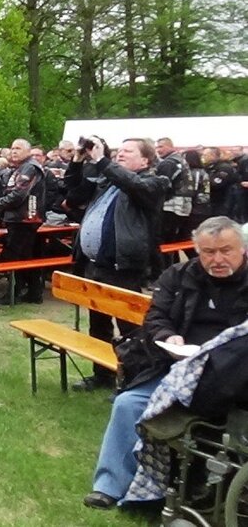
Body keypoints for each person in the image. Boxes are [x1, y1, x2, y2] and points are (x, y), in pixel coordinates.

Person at [83, 216, 248, 510]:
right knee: (128, 403)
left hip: (231, 378)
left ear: (243, 249)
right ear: (197, 250)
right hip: (175, 367)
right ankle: (109, 486)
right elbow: (156, 315)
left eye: (226, 250)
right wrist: (168, 336)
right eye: (209, 252)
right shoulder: (179, 275)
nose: (218, 259)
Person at [66, 136, 169, 390]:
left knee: (130, 327)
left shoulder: (154, 182)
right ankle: (102, 375)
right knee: (98, 324)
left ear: (145, 159)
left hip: (123, 267)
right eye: (119, 150)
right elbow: (73, 192)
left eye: (128, 151)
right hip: (95, 264)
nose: (120, 154)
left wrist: (102, 160)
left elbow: (131, 184)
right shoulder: (108, 181)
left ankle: (135, 381)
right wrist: (78, 161)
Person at [0, 139, 46, 303]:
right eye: (12, 148)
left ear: (28, 151)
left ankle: (15, 292)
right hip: (17, 218)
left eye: (18, 148)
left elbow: (19, 194)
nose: (13, 151)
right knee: (24, 255)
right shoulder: (18, 168)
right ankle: (32, 292)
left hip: (25, 218)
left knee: (15, 256)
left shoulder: (30, 168)